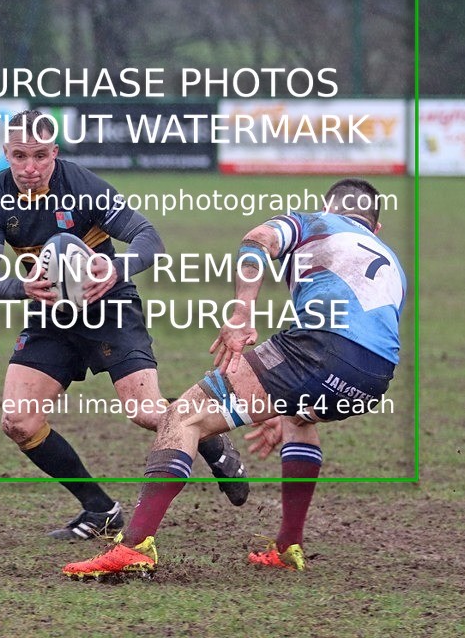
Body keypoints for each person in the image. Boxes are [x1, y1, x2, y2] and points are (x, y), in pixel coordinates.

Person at [63, 177, 406, 575]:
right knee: (296, 419)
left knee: (182, 417)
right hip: (375, 377)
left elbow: (256, 240)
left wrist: (242, 311)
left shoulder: (316, 222)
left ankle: (135, 546)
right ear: (375, 227)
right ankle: (287, 546)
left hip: (322, 348)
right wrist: (286, 400)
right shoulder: (390, 260)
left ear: (328, 209)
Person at [0, 109, 249, 539]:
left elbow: (149, 238)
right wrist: (24, 287)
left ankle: (209, 437)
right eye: (19, 155)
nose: (30, 167)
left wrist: (115, 270)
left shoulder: (81, 186)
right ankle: (99, 510)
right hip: (51, 311)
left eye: (40, 156)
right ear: (5, 153)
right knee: (18, 422)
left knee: (145, 413)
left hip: (110, 305)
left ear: (54, 153)